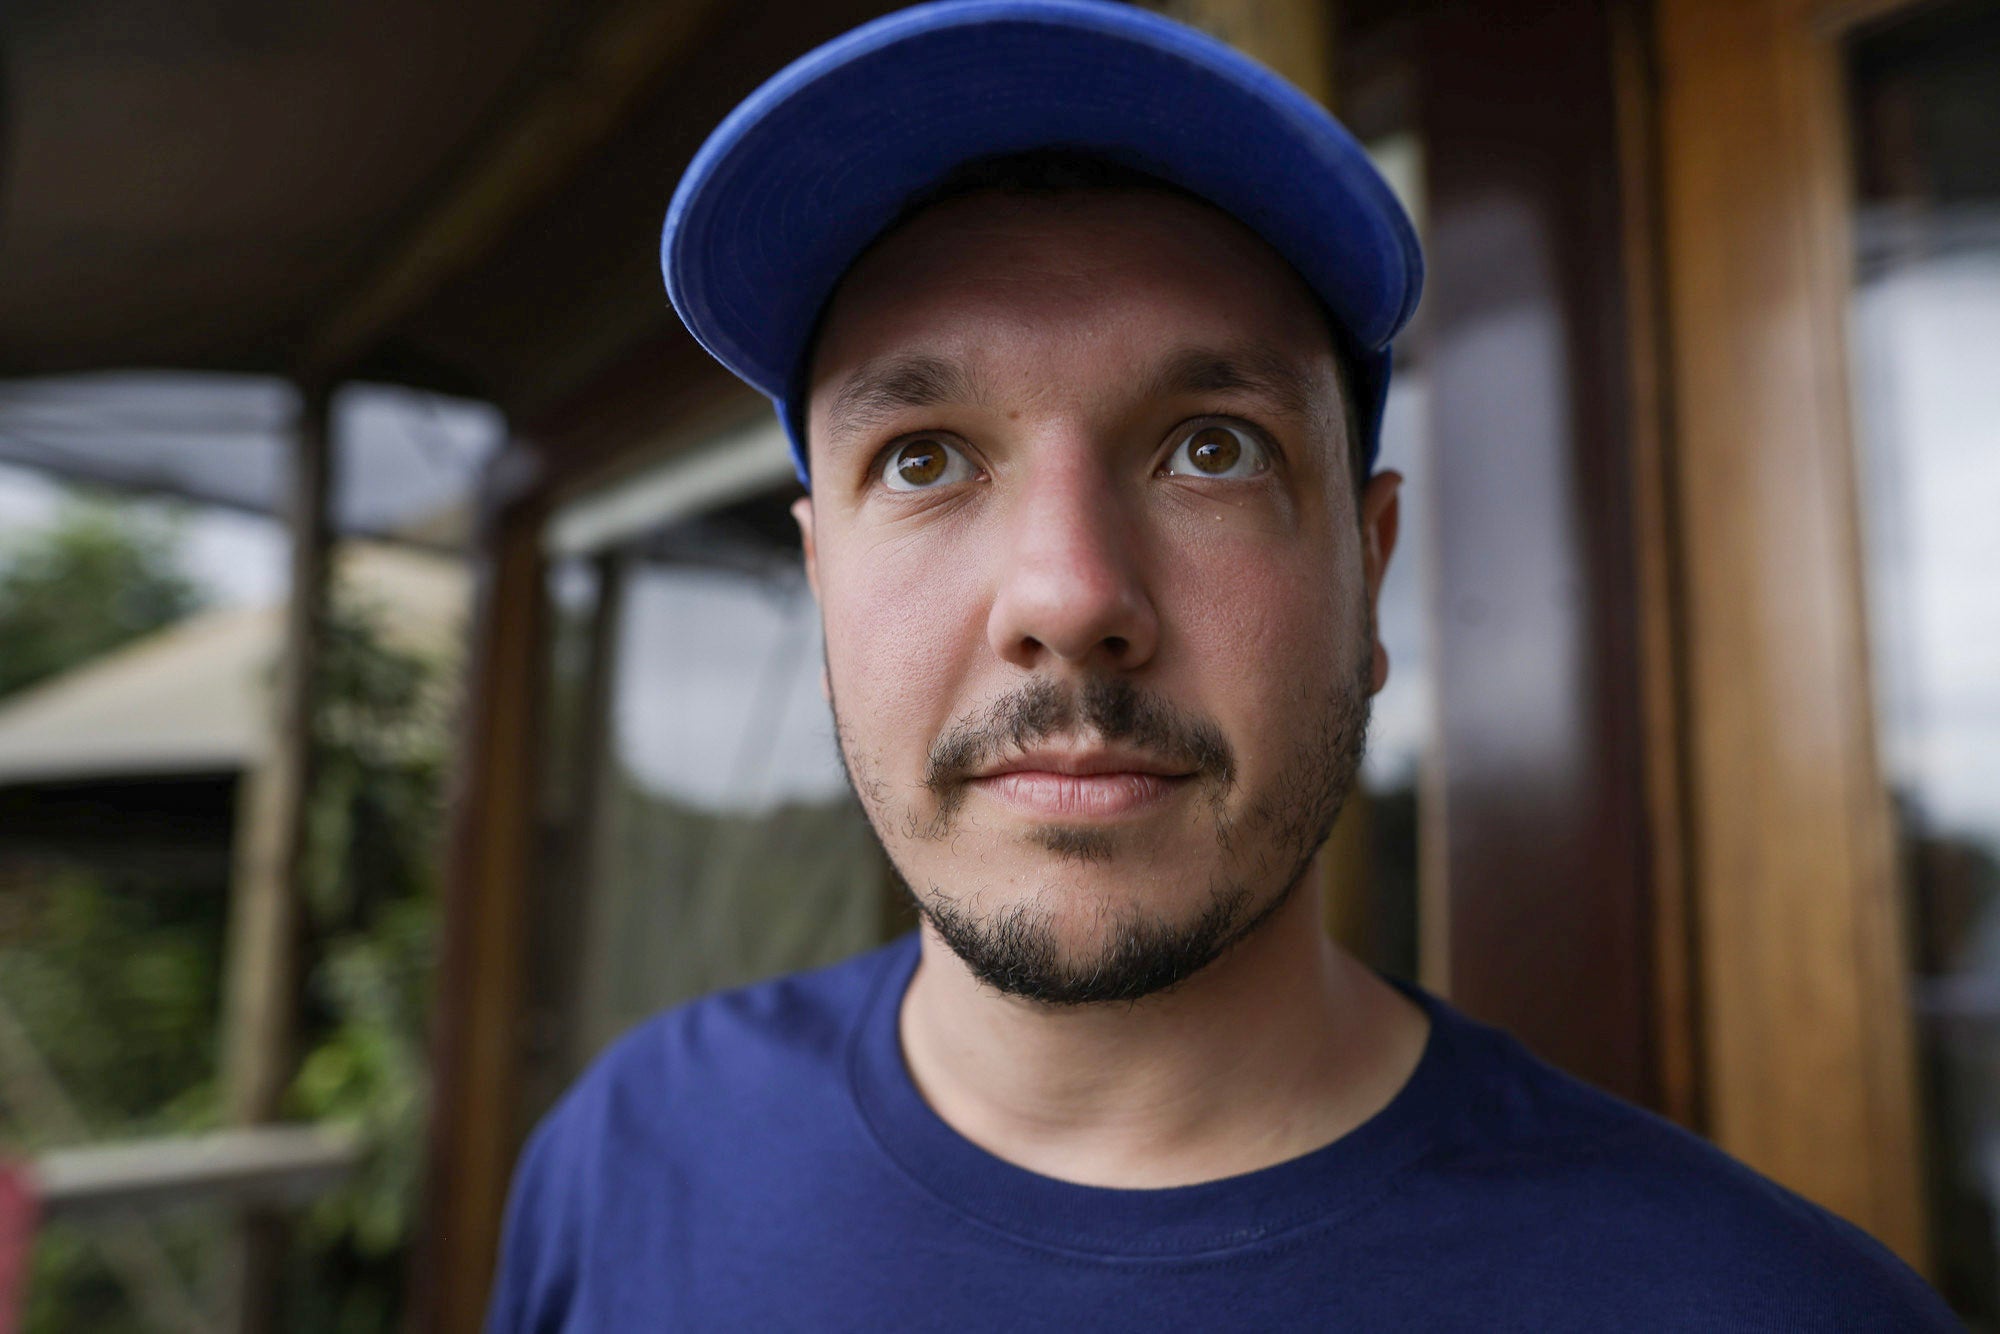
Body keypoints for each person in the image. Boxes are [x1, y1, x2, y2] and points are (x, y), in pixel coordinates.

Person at [487, 2, 1956, 1328]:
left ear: (1369, 568)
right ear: (821, 578)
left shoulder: (1768, 1306)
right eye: (924, 459)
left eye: (1212, 450)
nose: (1070, 596)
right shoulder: (630, 1159)